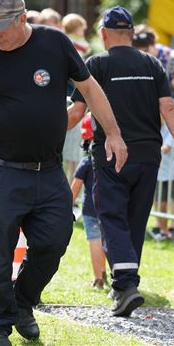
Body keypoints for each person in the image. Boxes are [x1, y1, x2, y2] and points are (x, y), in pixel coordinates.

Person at [0, 0, 127, 346]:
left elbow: (90, 89)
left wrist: (115, 134)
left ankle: (22, 301)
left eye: (1, 28)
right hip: (0, 171)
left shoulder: (55, 44)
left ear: (22, 19)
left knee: (54, 242)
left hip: (48, 171)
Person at [68, 6, 174, 317]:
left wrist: (40, 135)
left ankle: (126, 284)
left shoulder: (95, 64)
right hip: (148, 157)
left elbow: (75, 113)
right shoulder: (152, 64)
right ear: (131, 33)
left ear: (103, 33)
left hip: (112, 156)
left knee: (111, 216)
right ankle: (125, 285)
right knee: (135, 221)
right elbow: (169, 109)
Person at [70, 114, 108, 289]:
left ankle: (98, 278)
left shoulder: (86, 163)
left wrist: (67, 206)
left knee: (95, 242)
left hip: (90, 209)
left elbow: (75, 187)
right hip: (109, 208)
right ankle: (111, 273)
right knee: (110, 241)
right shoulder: (111, 161)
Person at [61, 13, 91, 182]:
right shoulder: (76, 47)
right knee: (73, 155)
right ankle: (71, 192)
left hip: (68, 100)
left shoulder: (64, 43)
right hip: (72, 100)